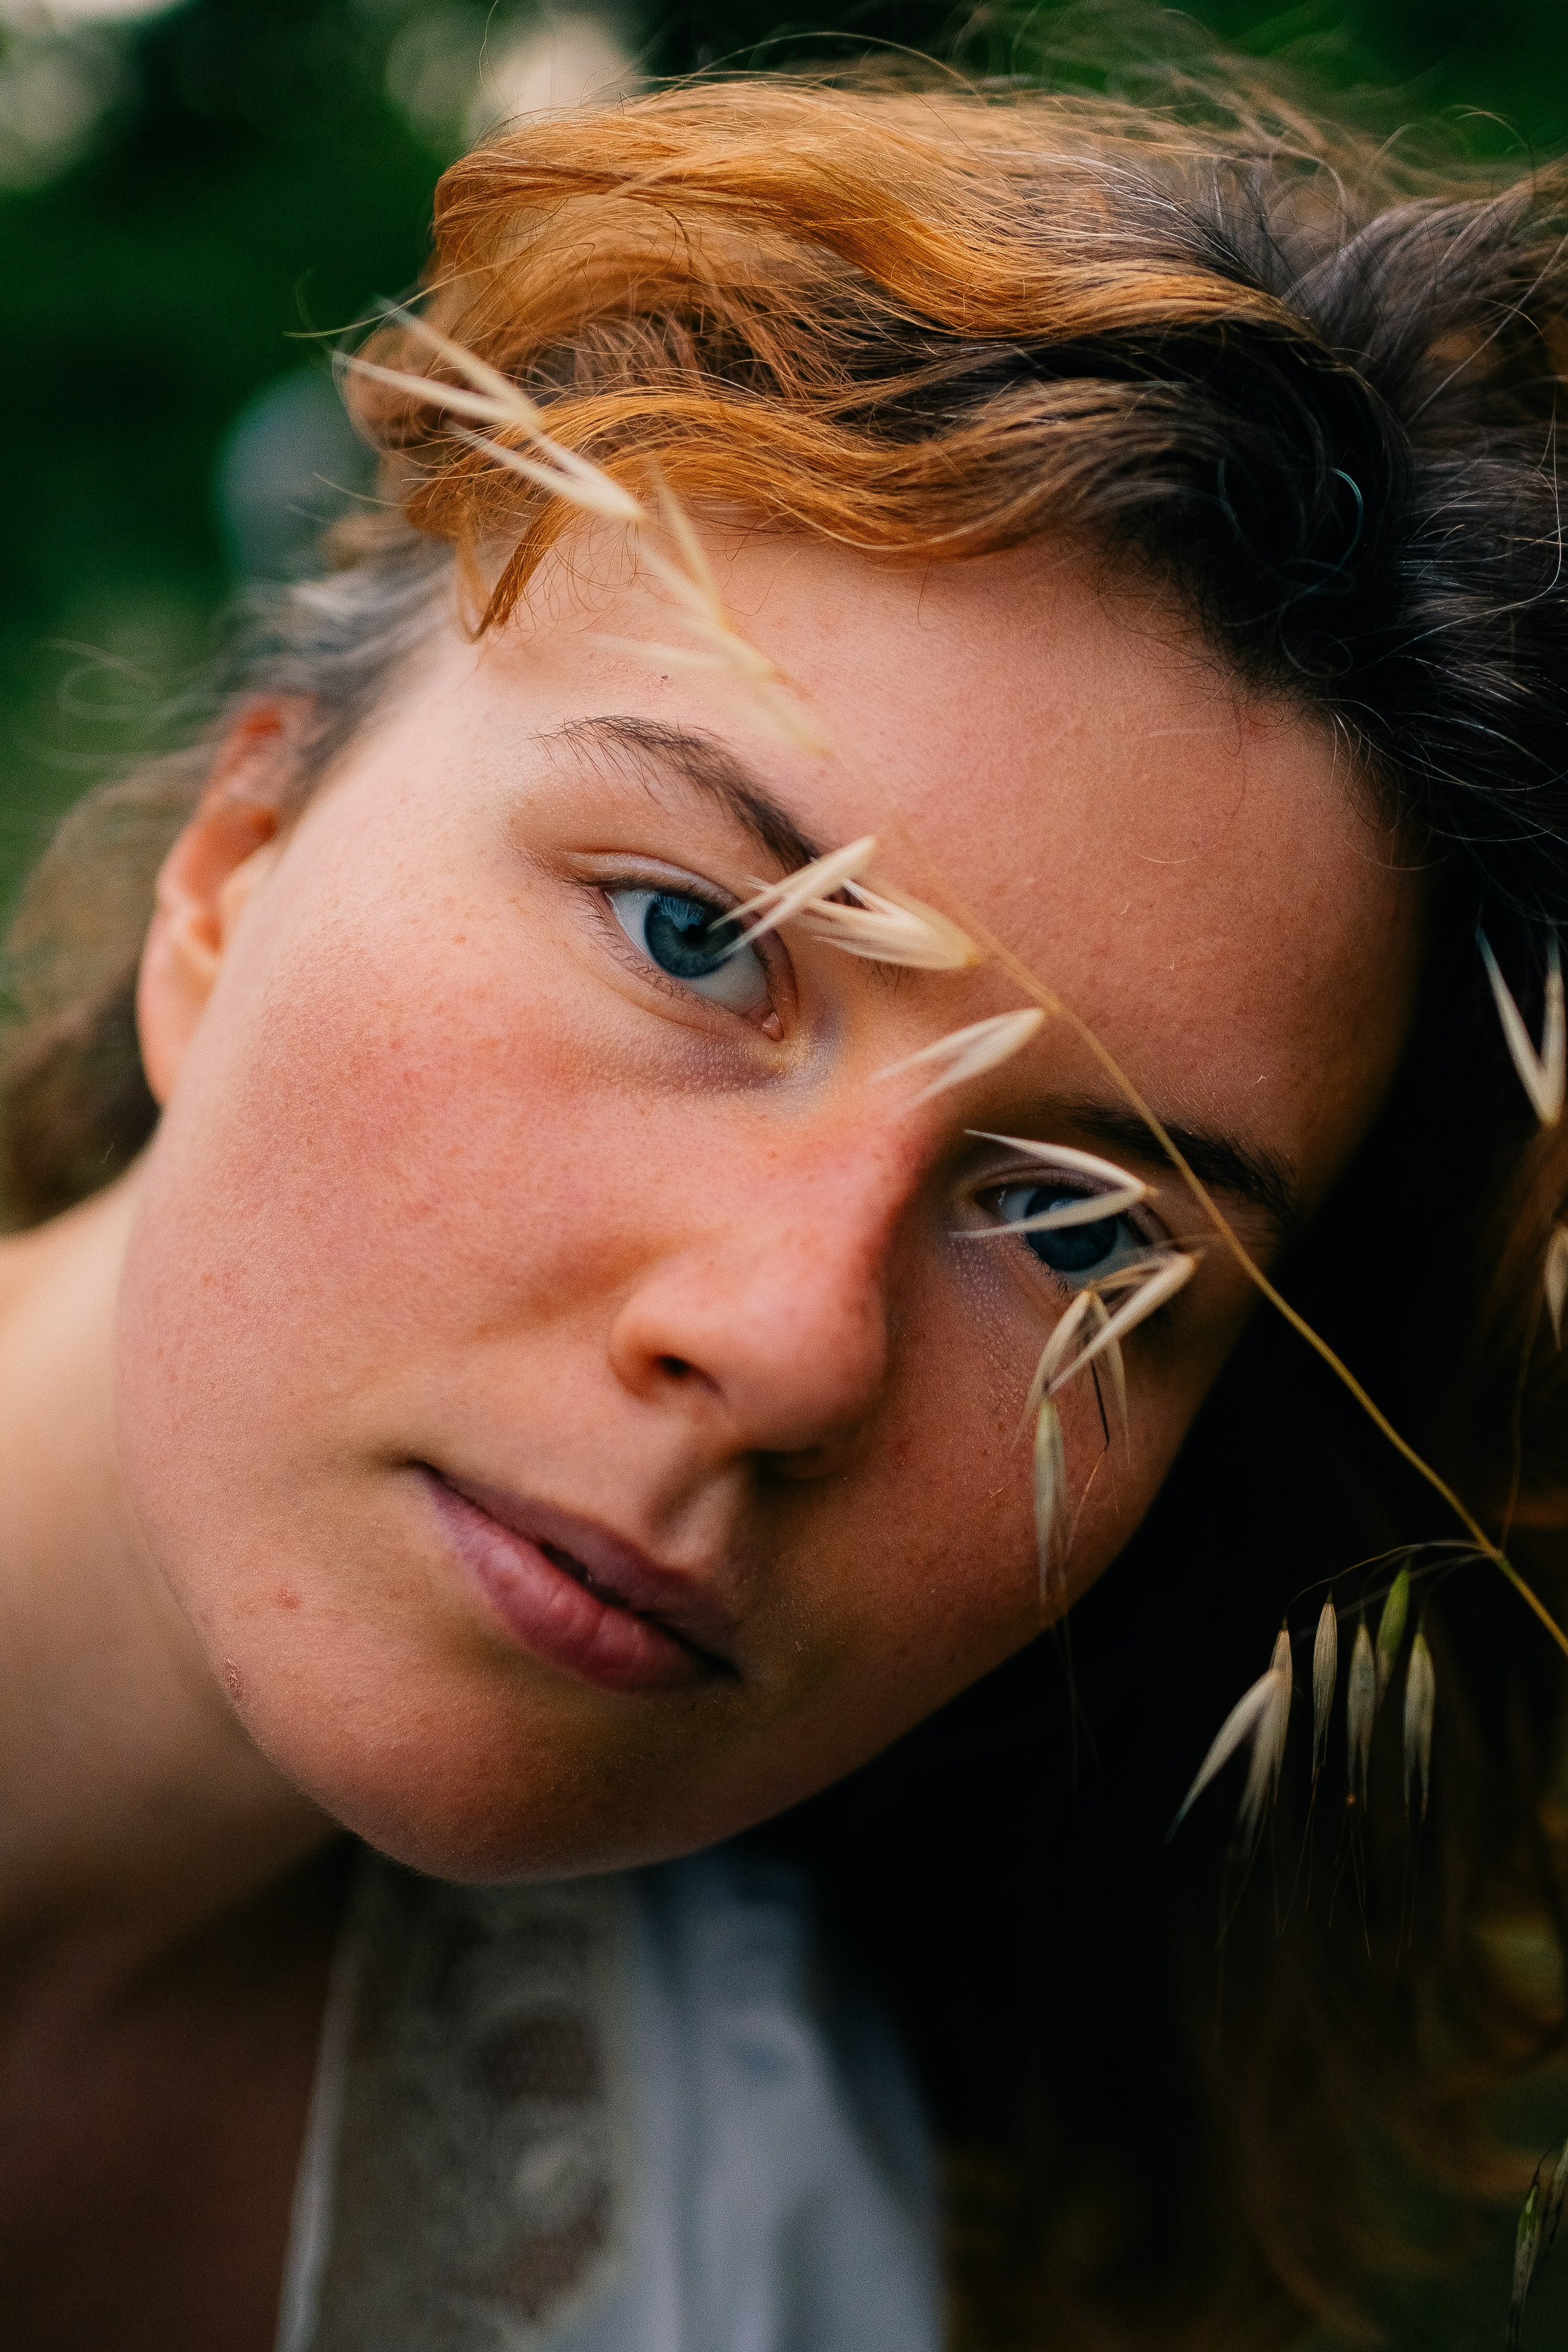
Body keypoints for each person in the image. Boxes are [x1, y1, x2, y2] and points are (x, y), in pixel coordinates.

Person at [4, 46, 1568, 2352]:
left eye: (1081, 1233)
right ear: (229, 875)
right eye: (693, 937)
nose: (790, 1344)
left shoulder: (765, 2239)